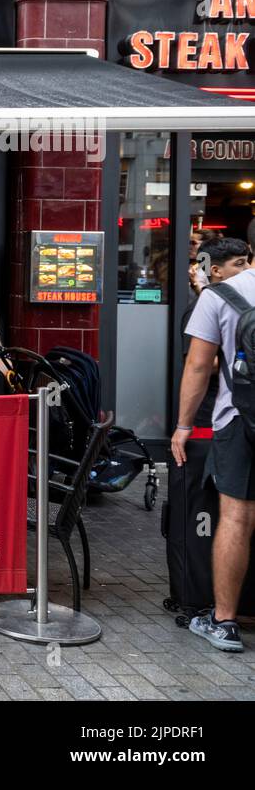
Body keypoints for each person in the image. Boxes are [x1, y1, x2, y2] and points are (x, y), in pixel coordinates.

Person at [173, 260, 255, 652]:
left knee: (237, 517)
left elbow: (199, 364)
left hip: (240, 420)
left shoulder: (219, 295)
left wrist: (184, 425)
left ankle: (224, 620)